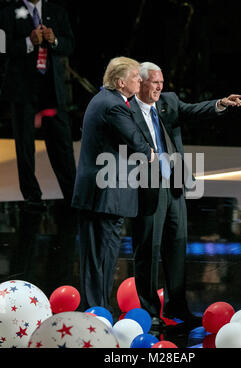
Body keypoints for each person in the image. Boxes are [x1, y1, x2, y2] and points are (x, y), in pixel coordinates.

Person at [130, 61, 241, 328]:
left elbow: (193, 111)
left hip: (174, 185)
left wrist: (220, 104)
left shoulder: (168, 101)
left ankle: (177, 307)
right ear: (141, 82)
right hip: (147, 188)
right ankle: (150, 311)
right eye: (154, 82)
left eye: (161, 82)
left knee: (177, 245)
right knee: (148, 249)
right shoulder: (127, 109)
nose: (159, 87)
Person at [71, 57, 153, 311]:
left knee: (96, 259)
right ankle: (97, 314)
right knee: (102, 259)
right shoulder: (114, 106)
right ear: (120, 82)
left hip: (98, 193)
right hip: (106, 195)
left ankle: (95, 311)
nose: (140, 80)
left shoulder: (103, 100)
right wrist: (148, 151)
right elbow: (139, 145)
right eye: (135, 76)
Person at [0, 0, 76, 209]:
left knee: (61, 143)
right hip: (23, 90)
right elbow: (1, 46)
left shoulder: (57, 11)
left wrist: (55, 41)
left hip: (51, 90)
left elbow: (70, 44)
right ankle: (32, 197)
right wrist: (28, 41)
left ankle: (73, 196)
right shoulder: (7, 13)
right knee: (25, 145)